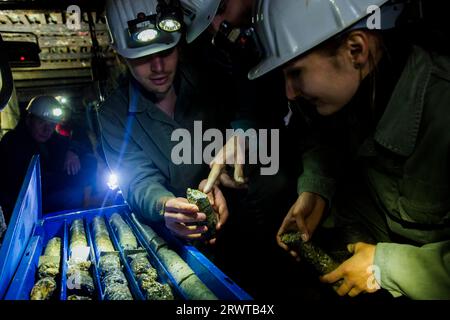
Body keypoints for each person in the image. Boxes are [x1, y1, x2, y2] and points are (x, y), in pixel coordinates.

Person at [248, 0, 450, 299]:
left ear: (356, 50)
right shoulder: (361, 87)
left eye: (296, 73)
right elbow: (322, 140)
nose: (289, 92)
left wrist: (386, 266)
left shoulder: (442, 108)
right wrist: (315, 192)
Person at [99, 0, 229, 243]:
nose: (158, 67)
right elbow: (137, 178)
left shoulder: (208, 78)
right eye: (143, 57)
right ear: (122, 57)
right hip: (180, 239)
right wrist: (165, 204)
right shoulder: (113, 114)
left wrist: (223, 174)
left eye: (166, 52)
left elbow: (243, 127)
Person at [0, 96, 94, 221]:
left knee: (87, 166)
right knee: (73, 195)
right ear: (28, 119)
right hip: (23, 208)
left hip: (48, 197)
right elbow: (27, 183)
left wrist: (72, 151)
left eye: (52, 124)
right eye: (41, 122)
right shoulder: (12, 142)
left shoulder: (51, 139)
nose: (47, 129)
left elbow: (79, 147)